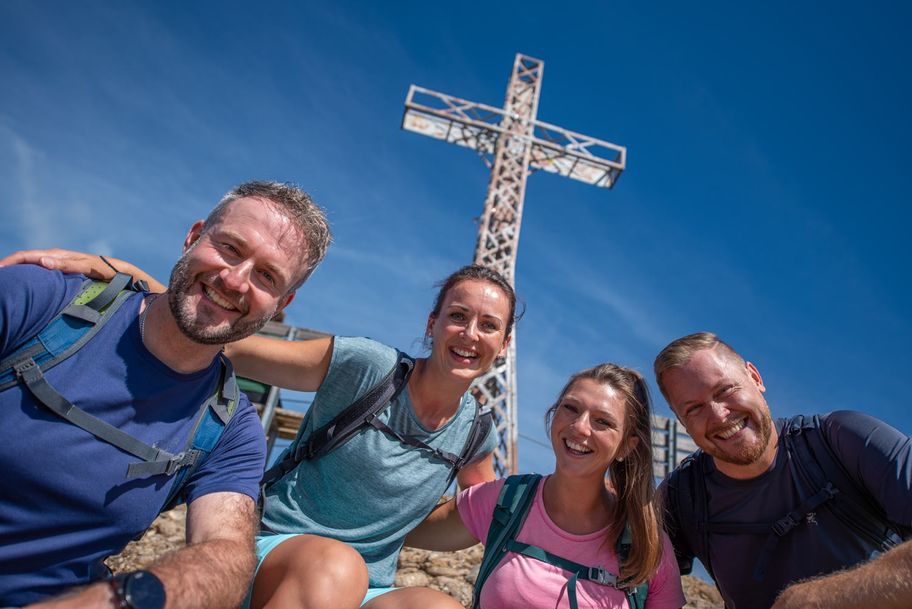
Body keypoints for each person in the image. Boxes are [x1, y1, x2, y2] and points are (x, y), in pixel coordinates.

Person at [0, 180, 331, 609]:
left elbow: (226, 556)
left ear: (281, 305)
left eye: (266, 276)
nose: (234, 280)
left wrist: (119, 599)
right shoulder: (40, 301)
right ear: (193, 238)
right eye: (230, 248)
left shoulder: (230, 429)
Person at [234, 264, 516, 609]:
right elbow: (236, 350)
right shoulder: (369, 366)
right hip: (276, 548)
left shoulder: (475, 433)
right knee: (336, 567)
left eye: (488, 325)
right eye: (458, 316)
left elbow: (488, 516)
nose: (471, 334)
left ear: (504, 344)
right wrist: (159, 309)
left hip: (368, 586)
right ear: (433, 325)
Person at [654, 332, 912, 609]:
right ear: (681, 420)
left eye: (725, 391)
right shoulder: (682, 495)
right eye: (694, 409)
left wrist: (815, 600)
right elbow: (634, 581)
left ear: (755, 377)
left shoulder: (840, 440)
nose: (718, 415)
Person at [406, 363, 686, 609]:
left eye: (602, 422)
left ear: (627, 446)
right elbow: (397, 531)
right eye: (570, 408)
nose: (580, 427)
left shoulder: (647, 543)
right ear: (554, 414)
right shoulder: (506, 501)